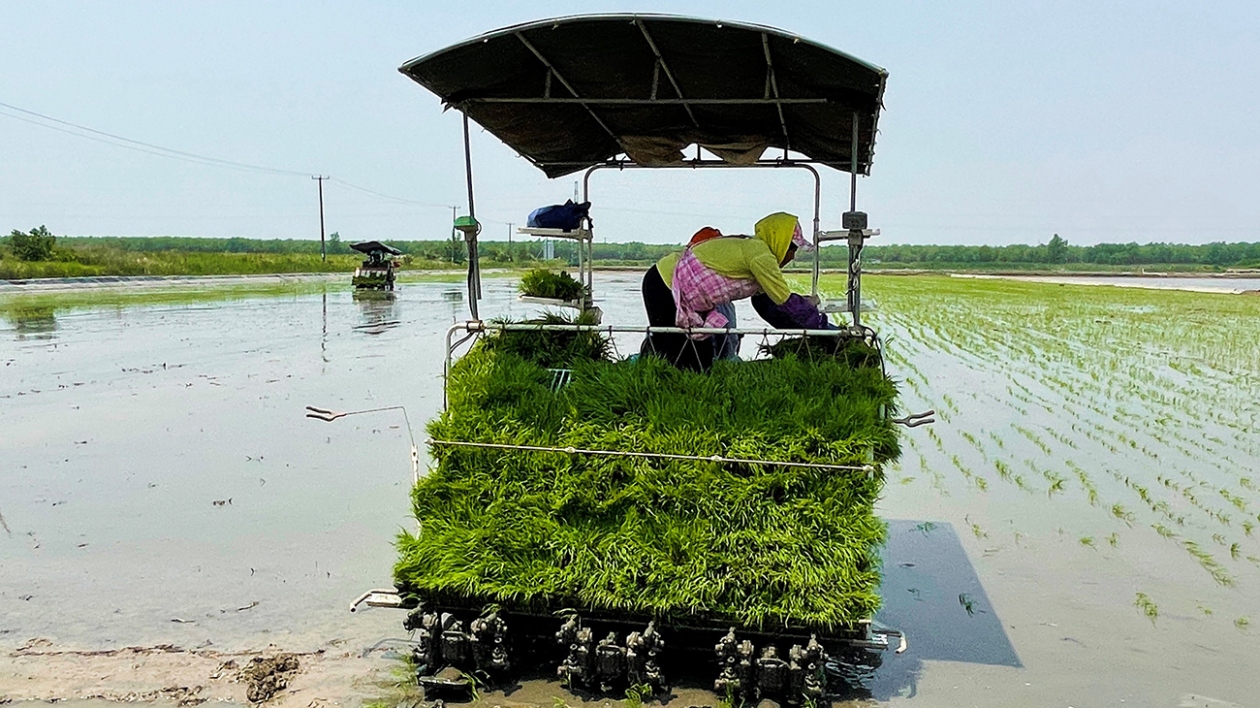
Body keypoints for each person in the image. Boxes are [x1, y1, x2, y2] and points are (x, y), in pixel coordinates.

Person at [640, 212, 830, 370]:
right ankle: (661, 397)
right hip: (665, 285)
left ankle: (692, 394)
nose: (793, 256)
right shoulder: (760, 255)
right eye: (793, 249)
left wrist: (809, 332)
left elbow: (768, 306)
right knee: (677, 356)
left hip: (688, 296)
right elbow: (786, 302)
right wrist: (825, 330)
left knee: (701, 358)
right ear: (781, 243)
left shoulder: (756, 251)